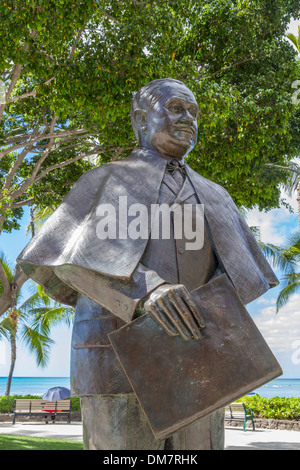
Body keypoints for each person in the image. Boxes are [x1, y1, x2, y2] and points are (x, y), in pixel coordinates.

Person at [17, 78, 278, 450]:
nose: (188, 118)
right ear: (141, 118)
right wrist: (146, 289)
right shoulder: (106, 179)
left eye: (194, 112)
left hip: (201, 360)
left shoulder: (216, 195)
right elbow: (66, 260)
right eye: (175, 108)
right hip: (114, 361)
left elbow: (242, 275)